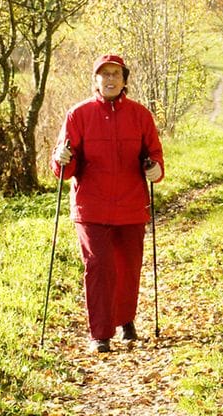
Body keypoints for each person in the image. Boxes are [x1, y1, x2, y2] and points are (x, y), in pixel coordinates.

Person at [51, 54, 164, 353]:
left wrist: (155, 169)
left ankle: (125, 320)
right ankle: (99, 334)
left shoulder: (140, 115)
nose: (110, 79)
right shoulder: (78, 114)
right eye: (104, 74)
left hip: (131, 205)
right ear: (96, 80)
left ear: (125, 80)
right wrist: (61, 160)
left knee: (128, 267)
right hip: (92, 206)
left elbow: (154, 155)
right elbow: (64, 164)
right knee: (99, 266)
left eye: (116, 74)